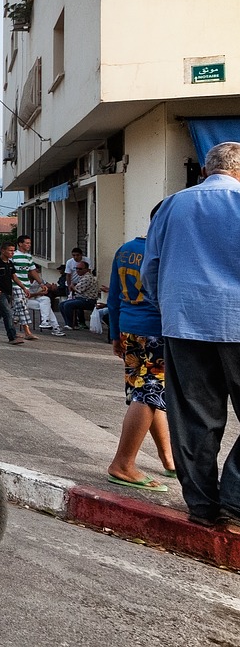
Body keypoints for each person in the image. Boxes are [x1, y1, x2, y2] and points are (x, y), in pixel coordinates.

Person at [144, 141, 240, 532]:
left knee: (195, 419)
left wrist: (165, 305)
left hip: (183, 323)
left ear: (205, 171)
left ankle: (202, 506)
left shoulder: (172, 205)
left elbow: (151, 267)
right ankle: (233, 506)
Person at [106, 206, 174, 492]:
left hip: (130, 327)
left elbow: (113, 295)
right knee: (151, 393)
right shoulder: (163, 251)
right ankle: (123, 464)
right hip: (155, 329)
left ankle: (169, 458)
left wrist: (114, 333)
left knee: (145, 391)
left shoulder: (125, 249)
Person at [61, 261, 102, 329]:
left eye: (80, 269)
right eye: (76, 268)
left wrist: (72, 286)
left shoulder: (87, 278)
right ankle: (68, 323)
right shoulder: (82, 277)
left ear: (86, 269)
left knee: (67, 305)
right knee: (62, 304)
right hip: (81, 298)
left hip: (88, 300)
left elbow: (78, 289)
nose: (77, 270)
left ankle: (71, 324)